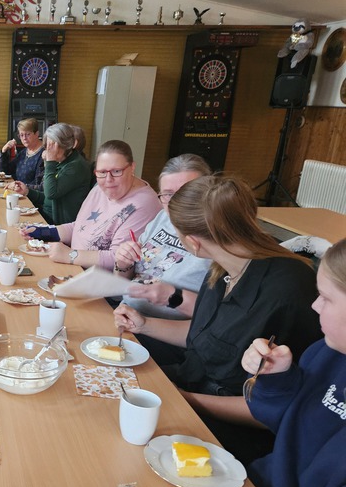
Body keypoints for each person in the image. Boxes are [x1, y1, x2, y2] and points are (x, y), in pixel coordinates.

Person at [113, 174, 322, 463]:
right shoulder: (222, 268)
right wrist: (145, 325)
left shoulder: (289, 291)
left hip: (230, 431)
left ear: (193, 243)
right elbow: (205, 336)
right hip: (189, 387)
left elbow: (277, 407)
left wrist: (184, 399)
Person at [241, 238, 345, 487]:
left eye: (326, 298)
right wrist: (277, 379)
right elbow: (284, 423)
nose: (314, 305)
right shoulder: (327, 352)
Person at [21, 139, 161, 270]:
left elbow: (118, 258)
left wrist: (70, 255)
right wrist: (43, 232)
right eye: (102, 172)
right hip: (74, 267)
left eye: (117, 171)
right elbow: (80, 227)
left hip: (98, 281)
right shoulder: (100, 187)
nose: (108, 179)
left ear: (132, 167)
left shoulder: (144, 204)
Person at [113, 154, 212, 319]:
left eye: (186, 192)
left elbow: (218, 316)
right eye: (168, 194)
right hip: (124, 316)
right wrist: (123, 264)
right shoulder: (162, 217)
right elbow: (121, 286)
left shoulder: (218, 239)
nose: (176, 202)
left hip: (161, 329)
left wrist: (171, 298)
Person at [9, 122, 93, 225]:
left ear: (66, 145)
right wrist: (27, 191)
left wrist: (49, 162)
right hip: (45, 216)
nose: (48, 150)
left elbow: (51, 193)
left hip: (59, 224)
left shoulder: (75, 166)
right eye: (47, 145)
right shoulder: (62, 161)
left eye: (52, 145)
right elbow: (47, 197)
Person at [0, 118, 45, 190]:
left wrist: (18, 186)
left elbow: (38, 184)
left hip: (30, 195)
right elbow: (5, 172)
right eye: (21, 135)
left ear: (37, 134)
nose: (24, 138)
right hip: (18, 192)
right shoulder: (23, 152)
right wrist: (4, 151)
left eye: (28, 134)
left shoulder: (44, 154)